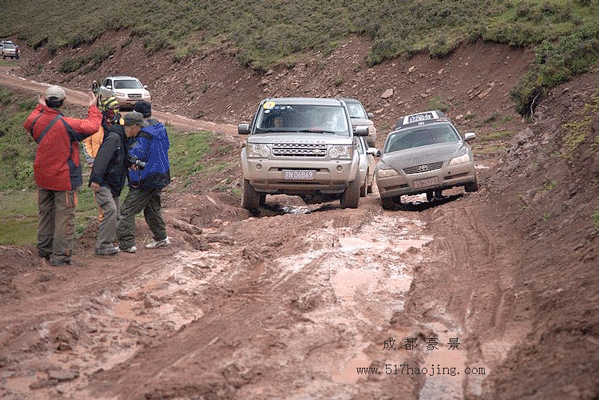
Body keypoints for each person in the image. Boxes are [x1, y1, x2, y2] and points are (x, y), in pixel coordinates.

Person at [23, 85, 101, 266]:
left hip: (43, 176)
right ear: (63, 102)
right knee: (64, 218)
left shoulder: (35, 120)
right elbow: (93, 126)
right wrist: (93, 107)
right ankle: (61, 257)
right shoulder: (66, 124)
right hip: (63, 178)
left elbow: (29, 121)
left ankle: (44, 252)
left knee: (45, 215)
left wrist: (40, 107)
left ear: (46, 101)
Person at [117, 111, 171, 253]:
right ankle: (161, 238)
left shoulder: (143, 137)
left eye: (128, 127)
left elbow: (136, 154)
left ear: (135, 126)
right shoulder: (158, 130)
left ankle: (126, 244)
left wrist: (132, 160)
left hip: (146, 179)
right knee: (152, 209)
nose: (127, 131)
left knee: (126, 210)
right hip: (160, 176)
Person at [88, 113, 132, 256]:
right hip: (103, 183)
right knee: (111, 210)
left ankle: (109, 244)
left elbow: (121, 161)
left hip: (114, 184)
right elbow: (101, 159)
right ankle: (103, 246)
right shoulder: (114, 138)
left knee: (115, 214)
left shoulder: (124, 140)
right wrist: (96, 179)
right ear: (132, 127)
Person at [82, 96, 122, 168]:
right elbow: (86, 141)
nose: (114, 111)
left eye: (116, 108)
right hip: (97, 160)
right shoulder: (96, 123)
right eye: (111, 109)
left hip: (116, 162)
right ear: (106, 109)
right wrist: (91, 159)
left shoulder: (122, 123)